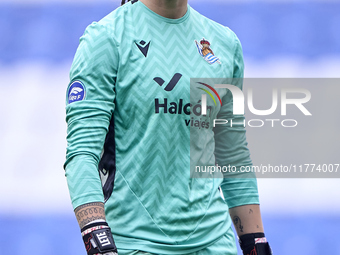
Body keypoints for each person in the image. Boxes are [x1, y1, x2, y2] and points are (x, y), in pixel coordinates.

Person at [64, 0, 273, 254]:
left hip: (216, 243)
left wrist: (256, 243)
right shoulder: (106, 38)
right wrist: (97, 240)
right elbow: (82, 154)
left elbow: (233, 155)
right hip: (135, 245)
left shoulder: (224, 43)